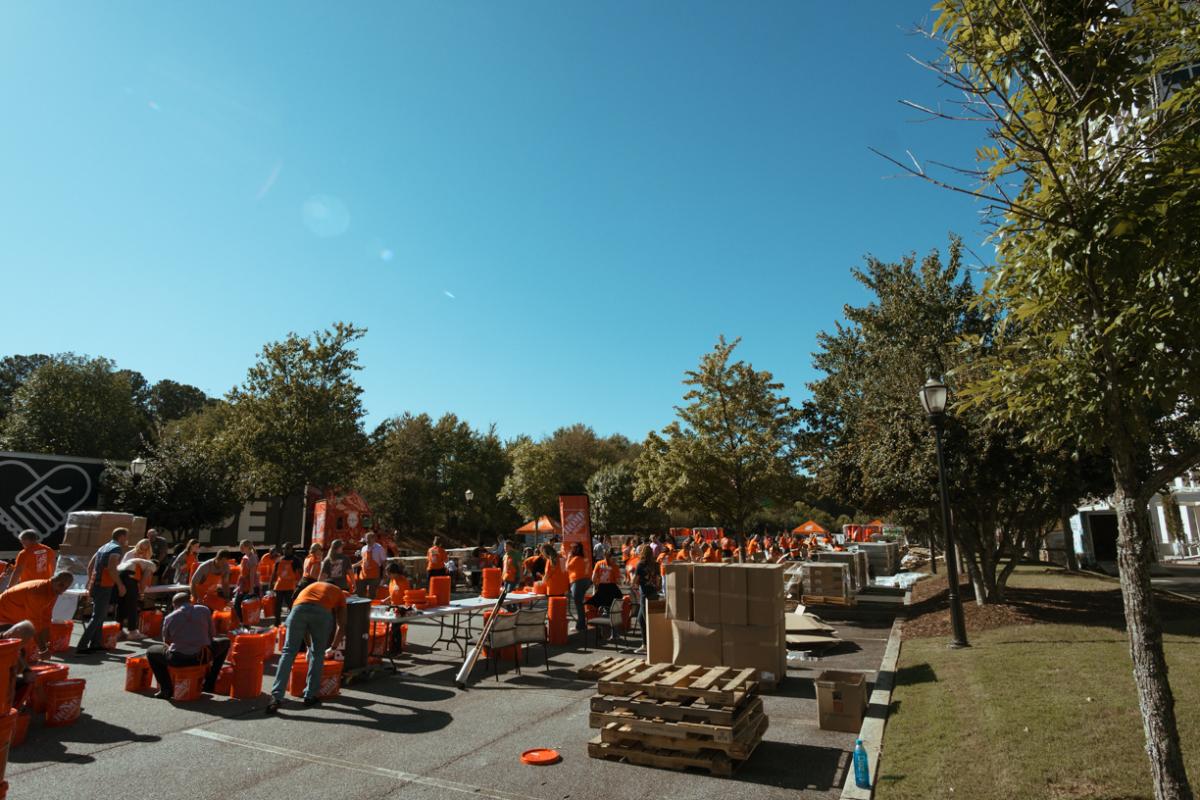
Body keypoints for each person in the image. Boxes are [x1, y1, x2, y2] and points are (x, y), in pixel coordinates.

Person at [266, 566, 346, 713]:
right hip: (321, 613)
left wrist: (309, 646)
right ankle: (310, 695)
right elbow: (342, 626)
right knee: (318, 654)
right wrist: (333, 647)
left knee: (288, 652)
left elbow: (304, 619)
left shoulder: (313, 586)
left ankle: (276, 696)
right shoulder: (339, 593)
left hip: (298, 609)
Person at [144, 592, 230, 700]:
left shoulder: (169, 618)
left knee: (151, 651)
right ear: (190, 601)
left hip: (178, 659)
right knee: (226, 642)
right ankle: (209, 683)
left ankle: (166, 689)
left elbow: (167, 641)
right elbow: (212, 634)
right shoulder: (204, 610)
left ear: (174, 605)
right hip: (202, 657)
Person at [76, 527, 128, 655]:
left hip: (97, 584)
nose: (127, 540)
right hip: (105, 585)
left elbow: (90, 566)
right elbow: (111, 568)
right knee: (98, 616)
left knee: (100, 615)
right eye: (126, 537)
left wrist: (92, 581)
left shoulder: (103, 547)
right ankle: (82, 646)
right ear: (121, 536)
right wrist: (120, 585)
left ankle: (96, 644)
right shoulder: (116, 549)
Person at [0, 571, 74, 652]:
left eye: (66, 588)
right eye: (61, 585)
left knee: (19, 648)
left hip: (12, 617)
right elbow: (34, 622)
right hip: (3, 617)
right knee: (13, 648)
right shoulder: (38, 592)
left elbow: (46, 617)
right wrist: (43, 649)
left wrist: (46, 641)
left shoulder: (52, 590)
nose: (62, 590)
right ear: (53, 580)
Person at [117, 539, 157, 641]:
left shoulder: (136, 556)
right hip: (129, 579)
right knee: (132, 606)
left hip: (124, 578)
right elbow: (144, 580)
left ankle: (119, 630)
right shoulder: (150, 565)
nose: (143, 551)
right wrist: (141, 592)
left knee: (122, 605)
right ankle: (132, 632)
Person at [633, 544, 660, 654]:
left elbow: (635, 581)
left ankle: (651, 646)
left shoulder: (640, 565)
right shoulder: (656, 564)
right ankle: (645, 644)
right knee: (641, 619)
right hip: (654, 593)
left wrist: (632, 583)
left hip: (645, 595)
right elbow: (658, 579)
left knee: (647, 620)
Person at [270, 543, 301, 625]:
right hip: (279, 586)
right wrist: (270, 585)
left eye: (287, 548)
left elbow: (301, 573)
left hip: (290, 587)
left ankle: (293, 622)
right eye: (283, 548)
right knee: (277, 607)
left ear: (291, 549)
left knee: (291, 606)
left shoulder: (296, 560)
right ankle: (277, 624)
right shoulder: (279, 560)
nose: (285, 550)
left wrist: (300, 585)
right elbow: (274, 574)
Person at [231, 540, 261, 627]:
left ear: (247, 547)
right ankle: (244, 624)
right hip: (243, 585)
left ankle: (245, 624)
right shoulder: (245, 557)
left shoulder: (252, 558)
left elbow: (252, 574)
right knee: (237, 604)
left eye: (242, 547)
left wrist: (251, 589)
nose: (240, 548)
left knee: (243, 606)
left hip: (249, 586)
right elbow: (242, 572)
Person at [567, 544, 591, 633]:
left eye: (572, 548)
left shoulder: (575, 559)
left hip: (578, 581)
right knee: (580, 604)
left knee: (579, 604)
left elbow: (567, 568)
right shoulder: (584, 558)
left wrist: (569, 557)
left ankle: (581, 626)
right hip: (586, 581)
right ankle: (581, 625)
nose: (571, 550)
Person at [356, 532, 387, 598]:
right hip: (363, 575)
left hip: (374, 575)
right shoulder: (363, 548)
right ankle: (362, 607)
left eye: (369, 538)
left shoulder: (379, 548)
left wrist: (384, 572)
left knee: (372, 594)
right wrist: (354, 565)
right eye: (366, 539)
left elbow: (384, 561)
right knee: (360, 593)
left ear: (374, 539)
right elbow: (363, 560)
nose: (367, 540)